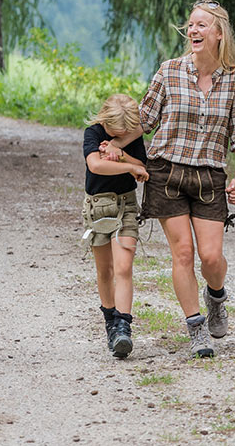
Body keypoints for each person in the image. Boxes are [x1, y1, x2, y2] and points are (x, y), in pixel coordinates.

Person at [104, 0, 235, 358]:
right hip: (167, 172)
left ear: (219, 33)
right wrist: (113, 143)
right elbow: (145, 120)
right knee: (183, 253)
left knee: (212, 257)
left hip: (209, 177)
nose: (194, 31)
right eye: (190, 25)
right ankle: (196, 328)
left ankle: (216, 296)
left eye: (202, 25)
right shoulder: (169, 71)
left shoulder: (234, 78)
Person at [82, 94, 148, 359]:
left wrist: (121, 155)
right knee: (105, 270)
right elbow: (95, 165)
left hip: (126, 205)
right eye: (115, 132)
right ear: (104, 121)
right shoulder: (92, 133)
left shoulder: (131, 137)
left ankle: (123, 326)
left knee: (124, 267)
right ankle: (110, 321)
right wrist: (127, 167)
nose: (121, 134)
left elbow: (143, 166)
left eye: (125, 132)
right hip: (98, 207)